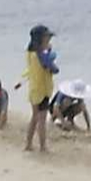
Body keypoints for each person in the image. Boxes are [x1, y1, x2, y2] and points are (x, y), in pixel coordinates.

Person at [22, 24, 58, 152]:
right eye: (47, 38)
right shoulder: (41, 55)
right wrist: (49, 53)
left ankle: (28, 144)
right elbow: (53, 68)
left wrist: (48, 52)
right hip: (42, 90)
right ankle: (43, 146)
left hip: (34, 89)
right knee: (41, 119)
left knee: (34, 117)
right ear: (41, 39)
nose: (49, 40)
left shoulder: (30, 53)